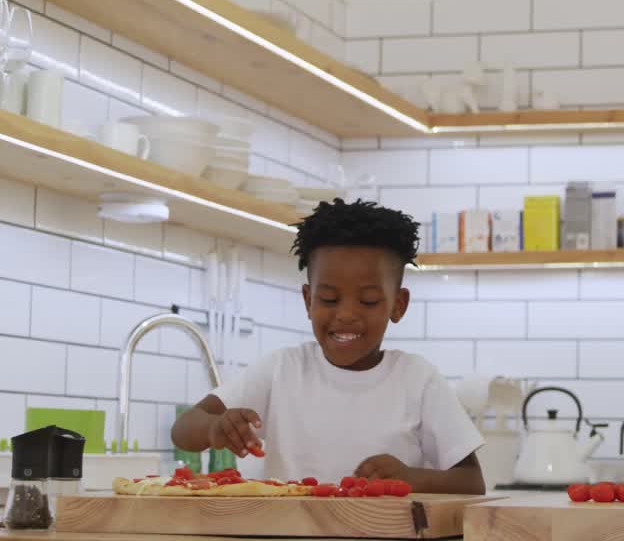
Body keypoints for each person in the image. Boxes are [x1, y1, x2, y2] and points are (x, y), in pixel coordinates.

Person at [172, 199, 486, 494]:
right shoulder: (282, 369)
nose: (346, 314)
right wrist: (215, 427)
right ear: (308, 300)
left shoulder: (418, 380)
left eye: (368, 301)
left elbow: (472, 481)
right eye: (329, 299)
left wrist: (410, 477)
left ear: (398, 305)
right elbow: (184, 429)